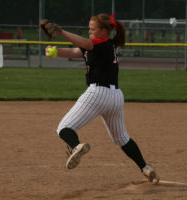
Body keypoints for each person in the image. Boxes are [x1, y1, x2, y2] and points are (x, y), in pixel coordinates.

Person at [40, 13, 160, 183]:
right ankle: (145, 168)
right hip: (116, 97)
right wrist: (55, 52)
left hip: (98, 94)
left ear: (104, 31)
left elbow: (84, 43)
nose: (89, 31)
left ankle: (76, 147)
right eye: (88, 28)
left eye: (92, 29)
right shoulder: (102, 45)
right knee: (122, 139)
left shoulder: (101, 43)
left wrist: (62, 32)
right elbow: (76, 51)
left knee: (64, 128)